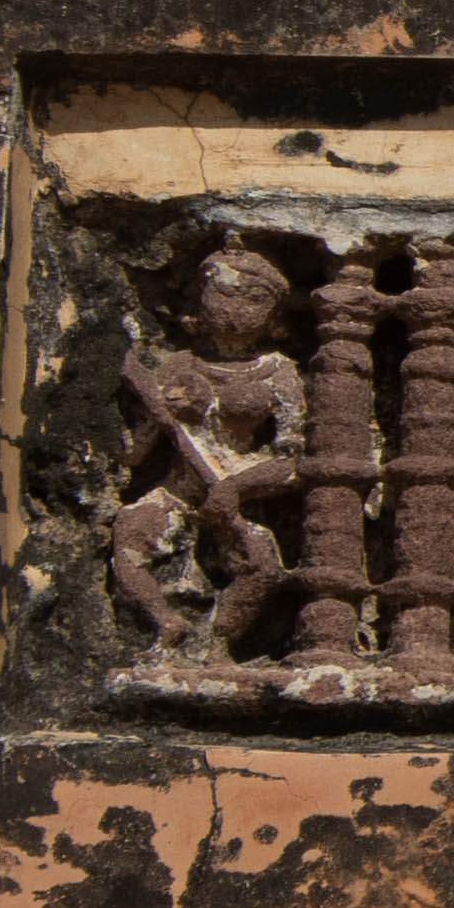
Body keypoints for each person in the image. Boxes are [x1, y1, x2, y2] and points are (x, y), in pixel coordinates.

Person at [108, 241, 308, 656]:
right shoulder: (179, 365)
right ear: (201, 299)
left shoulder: (277, 372)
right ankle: (167, 624)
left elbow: (291, 460)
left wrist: (238, 488)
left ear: (274, 314)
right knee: (130, 531)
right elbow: (139, 450)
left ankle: (217, 641)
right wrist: (158, 417)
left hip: (236, 483)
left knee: (262, 567)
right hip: (182, 489)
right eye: (223, 294)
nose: (235, 310)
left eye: (254, 299)